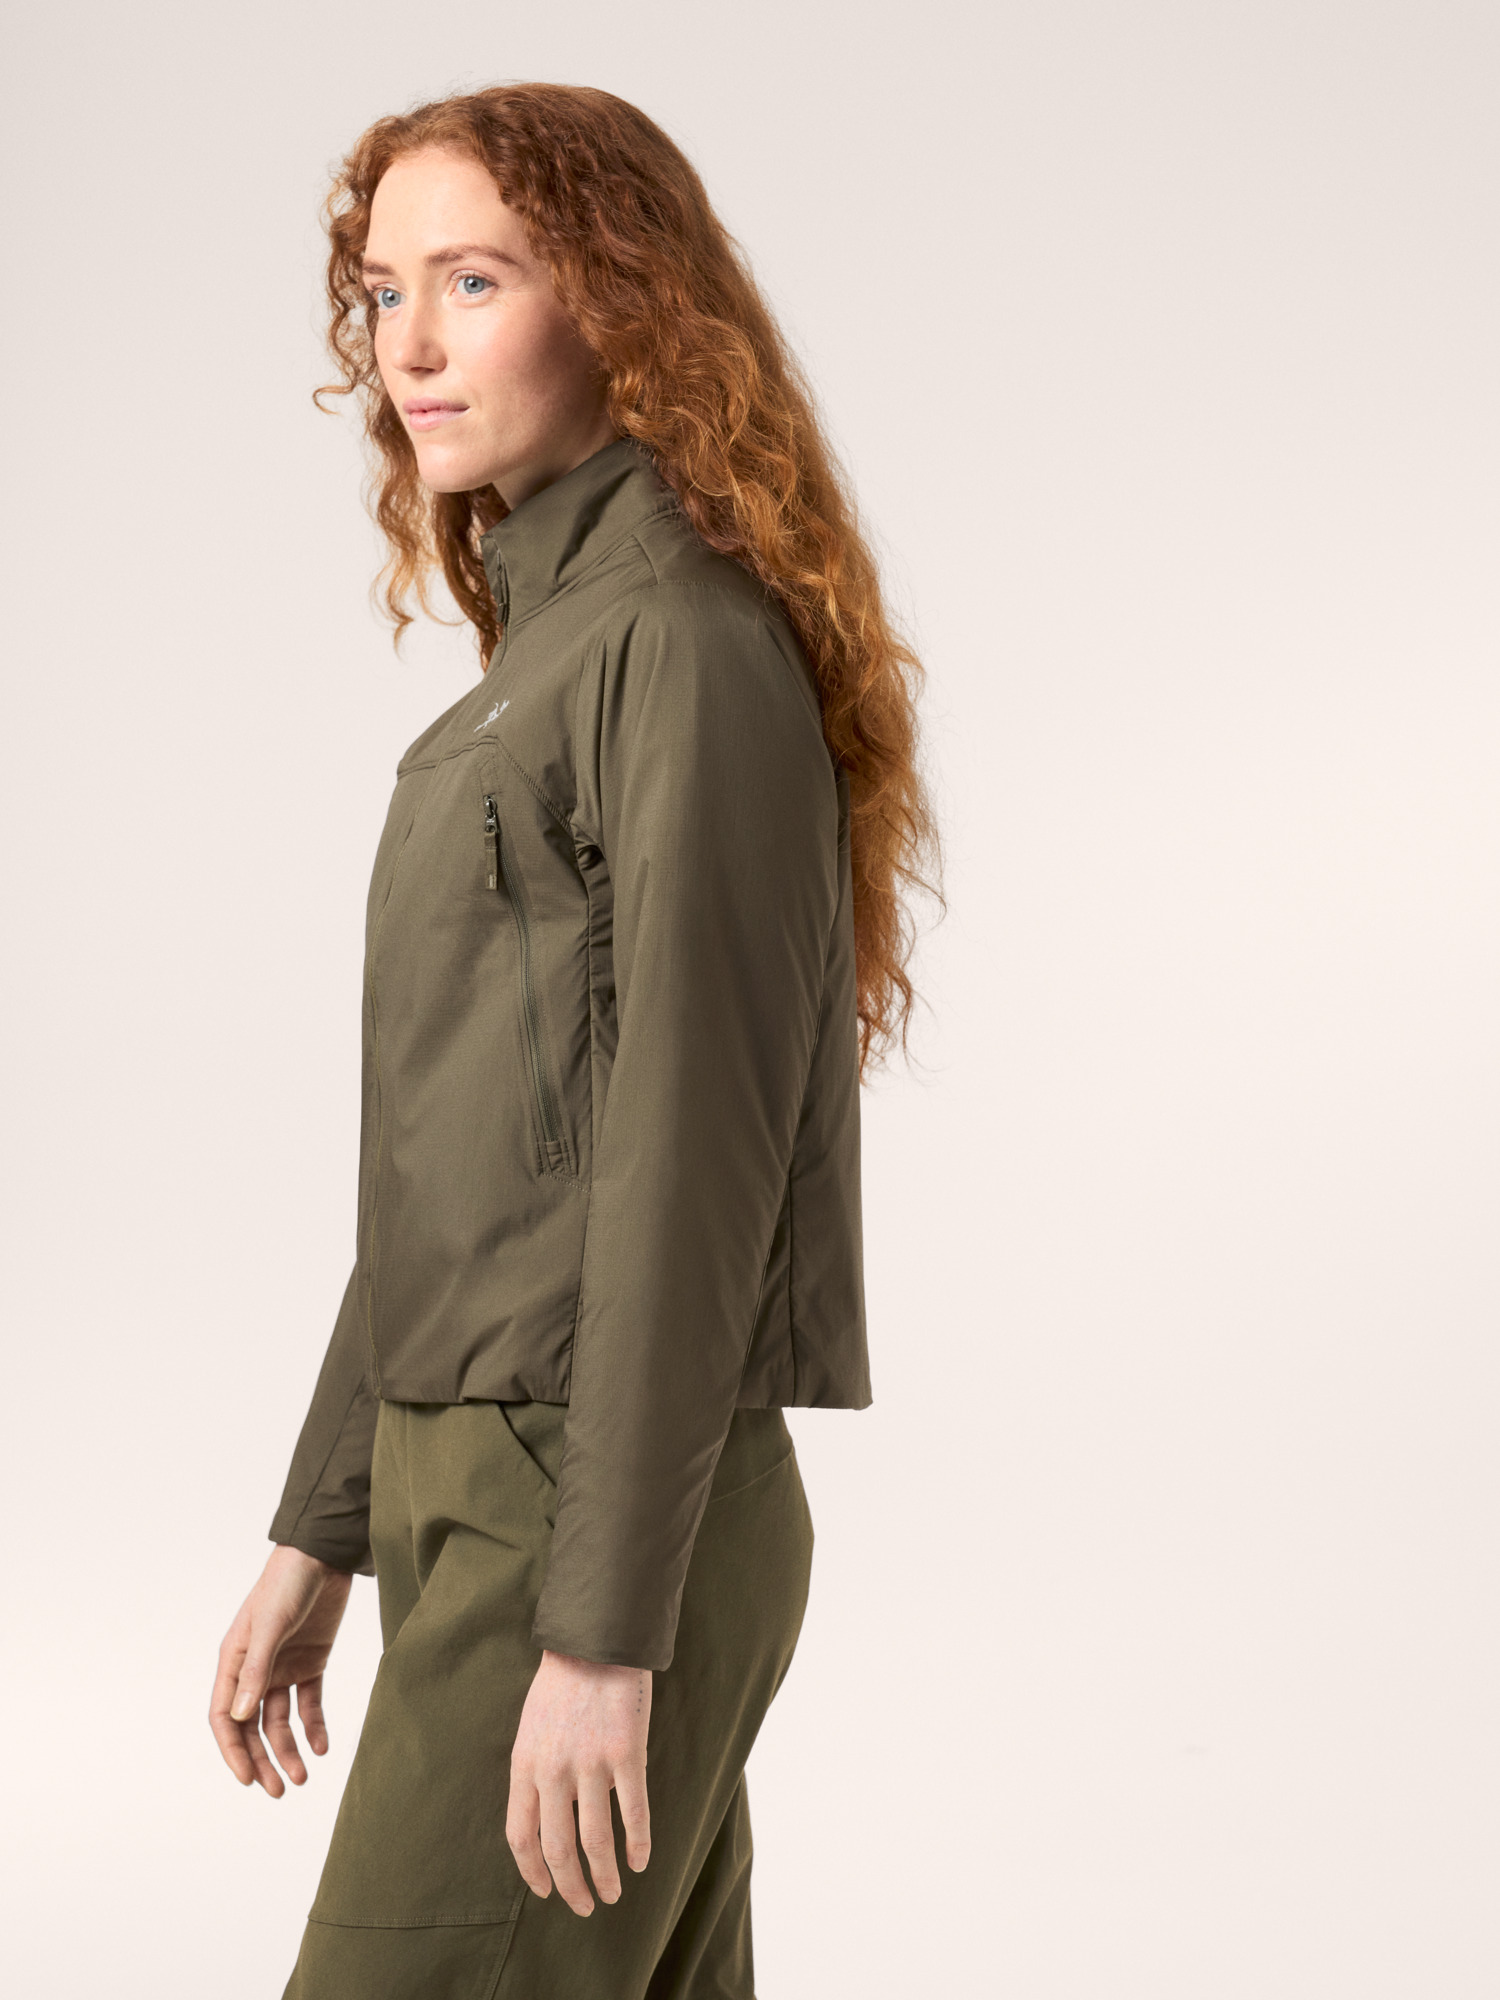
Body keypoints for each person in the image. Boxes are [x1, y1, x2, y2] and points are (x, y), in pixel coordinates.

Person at [208, 81, 936, 2000]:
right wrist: (328, 1523)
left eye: (474, 280)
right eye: (383, 292)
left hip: (588, 1509)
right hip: (496, 1493)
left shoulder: (674, 644)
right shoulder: (544, 655)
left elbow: (689, 1164)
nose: (410, 346)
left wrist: (605, 1629)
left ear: (621, 300)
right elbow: (466, 1169)